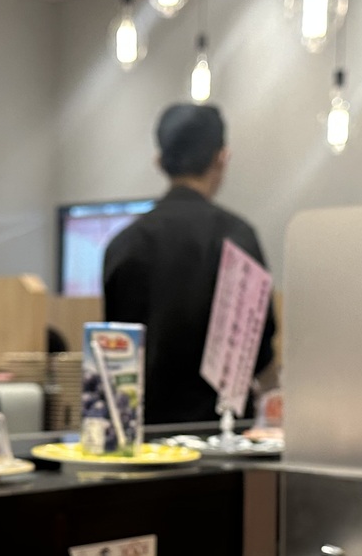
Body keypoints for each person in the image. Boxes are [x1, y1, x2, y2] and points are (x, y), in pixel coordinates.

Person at [102, 103, 277, 424]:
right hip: (222, 434)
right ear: (222, 158)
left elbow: (115, 354)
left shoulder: (123, 244)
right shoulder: (238, 237)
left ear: (159, 162)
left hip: (143, 437)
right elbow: (260, 350)